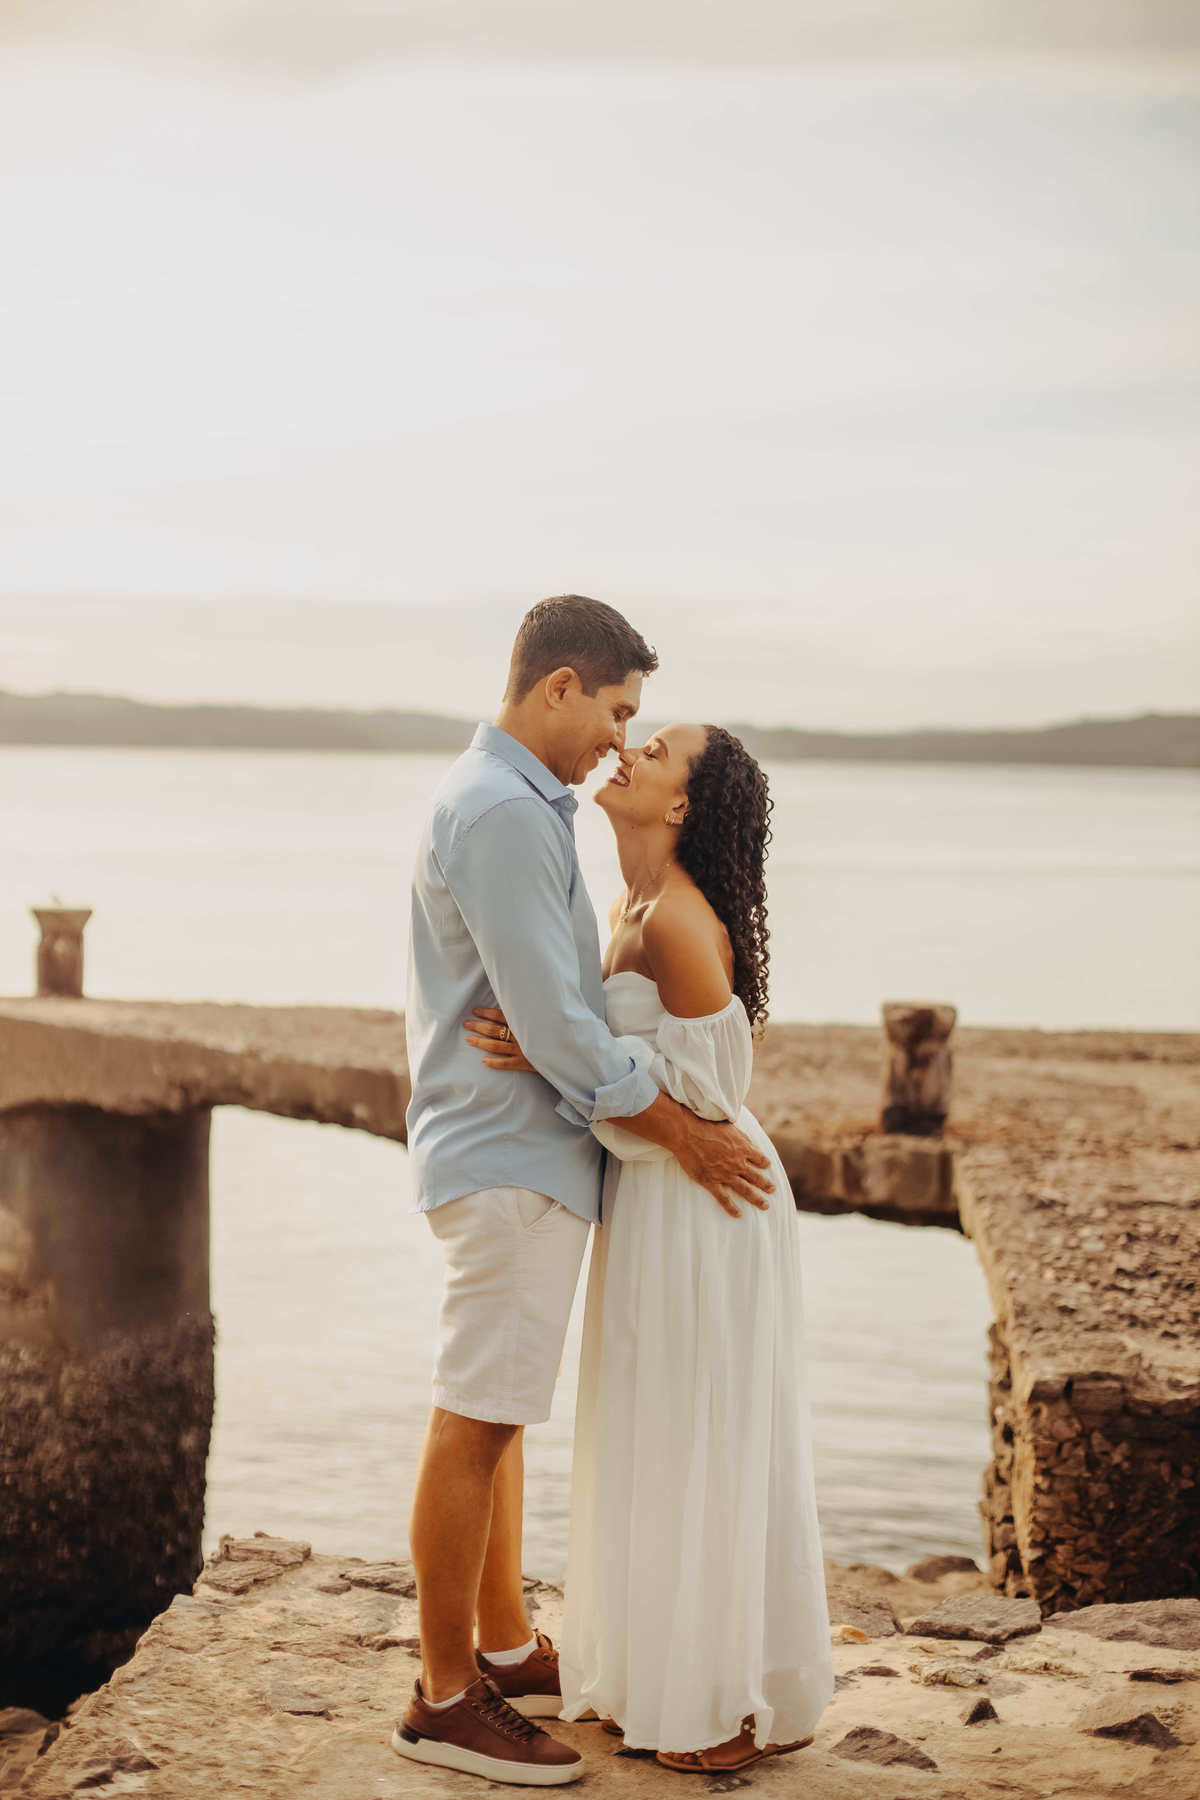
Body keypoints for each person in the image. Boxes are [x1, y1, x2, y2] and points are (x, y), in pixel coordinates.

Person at [394, 597, 774, 1787]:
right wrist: (679, 1132)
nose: (619, 738)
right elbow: (562, 1027)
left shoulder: (516, 804)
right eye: (617, 711)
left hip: (523, 1154)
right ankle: (444, 1696)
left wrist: (566, 1041)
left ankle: (505, 1647)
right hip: (510, 1159)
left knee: (498, 1415)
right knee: (477, 1416)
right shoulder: (506, 811)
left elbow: (559, 1013)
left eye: (639, 728)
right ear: (559, 687)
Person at [466, 721, 834, 1774]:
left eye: (659, 749)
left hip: (709, 1202)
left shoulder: (675, 920)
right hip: (658, 1197)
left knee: (698, 1431)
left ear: (681, 806)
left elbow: (711, 1099)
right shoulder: (626, 905)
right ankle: (659, 1678)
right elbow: (616, 1066)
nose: (629, 749)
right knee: (653, 1427)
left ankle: (717, 1705)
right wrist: (555, 1043)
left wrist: (552, 1051)